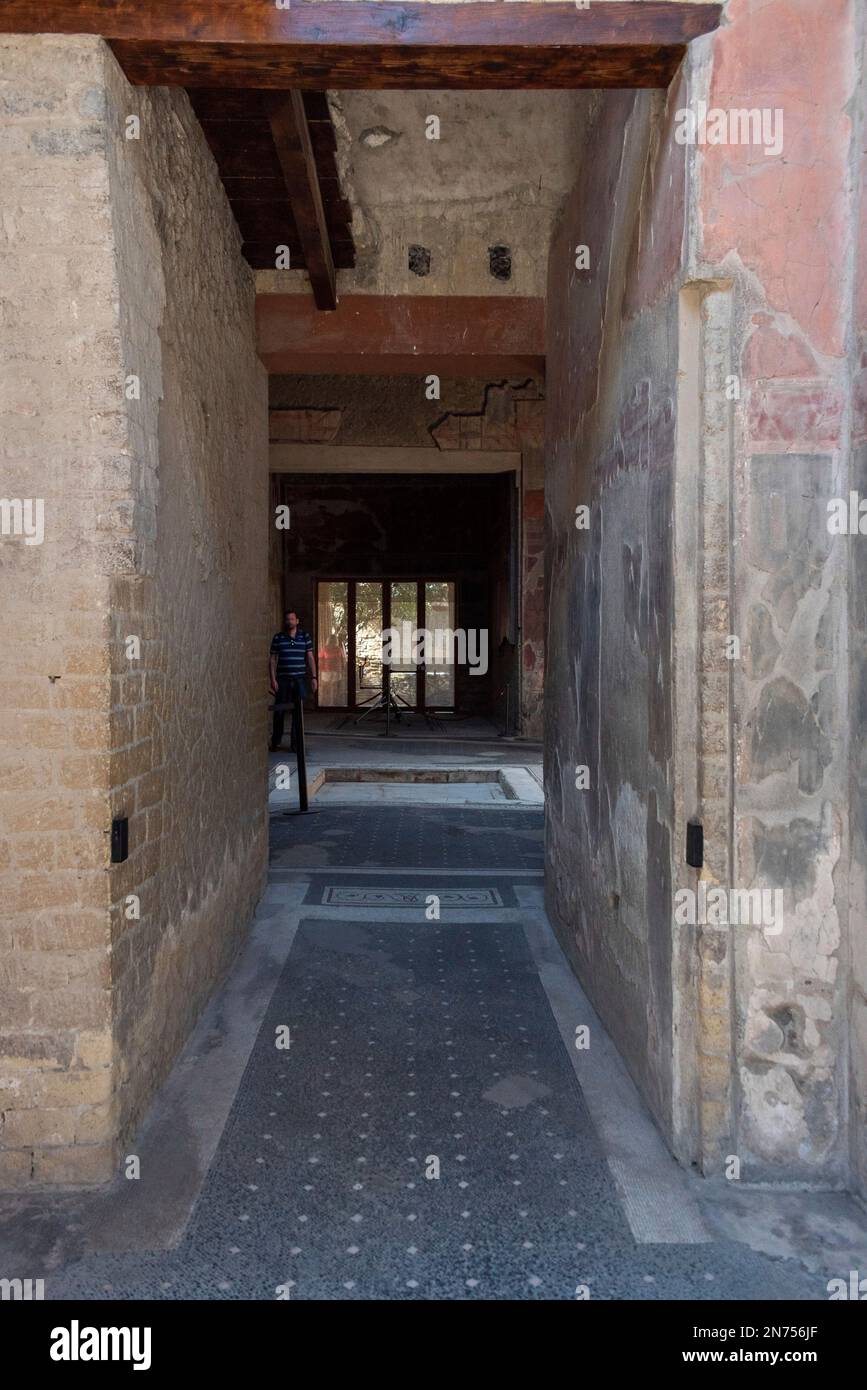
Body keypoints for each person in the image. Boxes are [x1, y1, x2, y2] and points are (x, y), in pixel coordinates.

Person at [269, 609, 317, 752]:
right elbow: (272, 660)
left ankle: (296, 744)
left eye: (292, 619)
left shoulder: (304, 637)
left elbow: (310, 657)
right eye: (287, 619)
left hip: (299, 680)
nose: (290, 621)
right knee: (279, 712)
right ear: (285, 622)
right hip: (282, 679)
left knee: (298, 713)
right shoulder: (278, 638)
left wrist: (314, 677)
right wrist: (273, 680)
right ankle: (276, 742)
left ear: (297, 621)